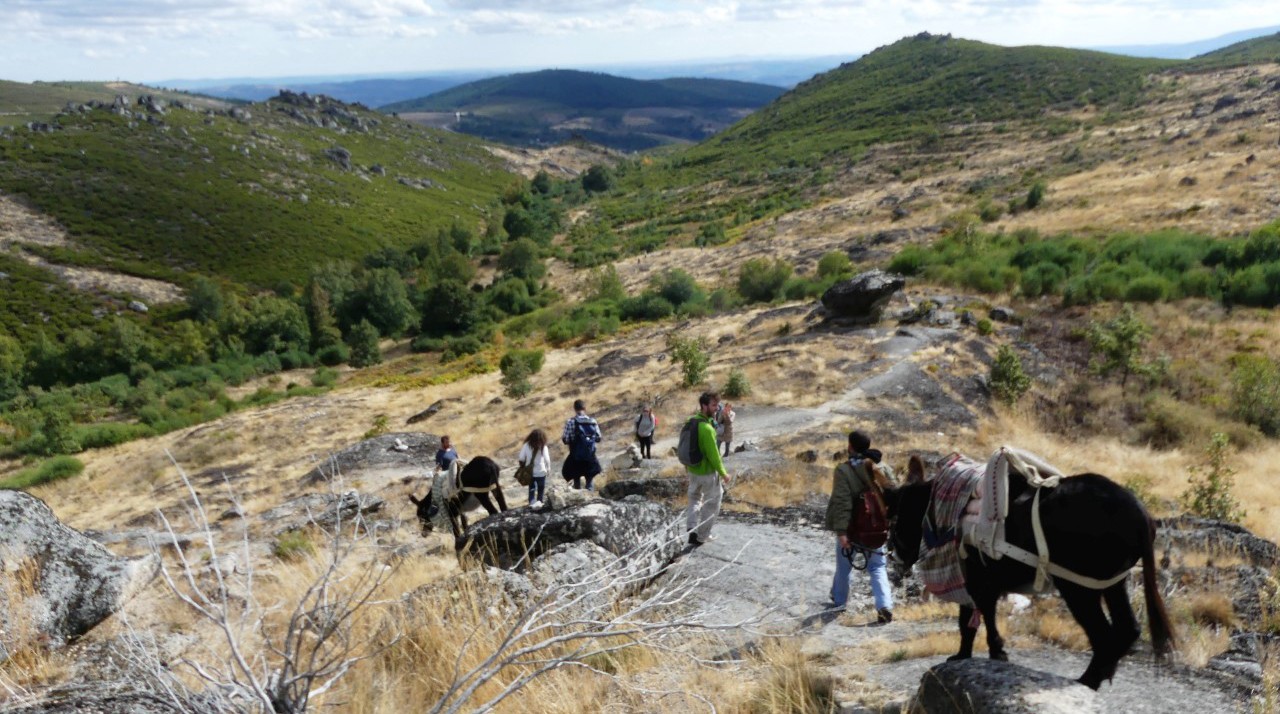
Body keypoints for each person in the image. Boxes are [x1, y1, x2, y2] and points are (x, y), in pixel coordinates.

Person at [824, 430, 896, 622]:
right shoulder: (882, 467)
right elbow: (893, 496)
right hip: (877, 529)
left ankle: (839, 602)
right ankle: (884, 605)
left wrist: (841, 532)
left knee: (844, 566)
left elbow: (842, 502)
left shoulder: (844, 470)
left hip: (853, 529)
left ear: (850, 446)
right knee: (878, 567)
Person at [686, 391, 730, 547]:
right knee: (713, 502)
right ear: (704, 406)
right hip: (707, 473)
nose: (717, 408)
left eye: (717, 404)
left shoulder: (691, 421)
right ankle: (702, 536)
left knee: (694, 499)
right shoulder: (707, 429)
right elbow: (714, 455)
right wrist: (724, 473)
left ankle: (691, 528)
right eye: (713, 405)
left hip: (692, 470)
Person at [561, 399, 602, 490]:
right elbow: (599, 438)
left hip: (575, 456)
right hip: (590, 456)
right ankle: (590, 497)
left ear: (575, 409)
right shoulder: (593, 421)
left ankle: (579, 498)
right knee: (589, 479)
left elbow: (565, 439)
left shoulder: (570, 422)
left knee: (576, 479)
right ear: (585, 408)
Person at [517, 428, 551, 508]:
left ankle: (532, 502)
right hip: (541, 471)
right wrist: (548, 468)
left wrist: (523, 465)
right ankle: (540, 501)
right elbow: (547, 459)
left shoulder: (526, 445)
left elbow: (521, 458)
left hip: (530, 472)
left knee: (531, 487)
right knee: (541, 488)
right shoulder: (543, 446)